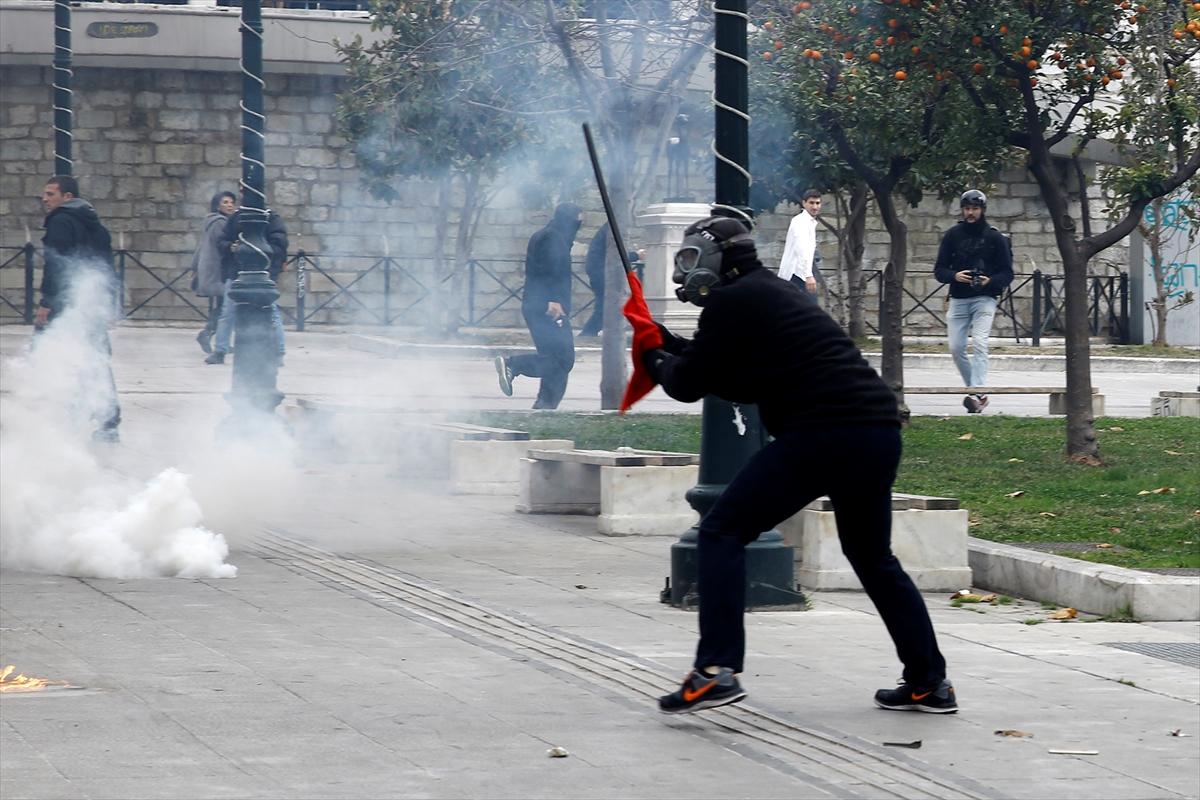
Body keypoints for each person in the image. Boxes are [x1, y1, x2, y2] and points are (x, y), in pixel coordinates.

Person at [644, 215, 954, 716]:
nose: (684, 272)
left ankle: (717, 670)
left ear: (717, 258)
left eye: (689, 259)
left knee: (720, 532)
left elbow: (687, 384)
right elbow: (737, 379)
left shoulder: (729, 302)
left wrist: (656, 356)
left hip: (824, 434)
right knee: (874, 559)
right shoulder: (772, 293)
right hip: (875, 431)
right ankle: (929, 682)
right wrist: (665, 345)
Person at [36, 175, 122, 441]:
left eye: (51, 194)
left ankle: (68, 416)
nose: (45, 199)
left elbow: (56, 264)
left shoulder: (61, 221)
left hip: (68, 304)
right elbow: (106, 267)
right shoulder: (95, 225)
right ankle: (107, 421)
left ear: (67, 197)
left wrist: (46, 303)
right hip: (91, 302)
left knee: (56, 355)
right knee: (95, 360)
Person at [494, 203, 581, 409]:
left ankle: (544, 407)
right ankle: (513, 365)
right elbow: (549, 268)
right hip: (549, 307)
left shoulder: (546, 235)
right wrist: (553, 299)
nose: (579, 225)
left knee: (554, 359)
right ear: (568, 220)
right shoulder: (553, 238)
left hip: (538, 304)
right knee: (563, 360)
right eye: (577, 220)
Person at [933, 189, 1013, 414]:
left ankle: (976, 391)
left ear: (983, 210)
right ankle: (978, 393)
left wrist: (990, 281)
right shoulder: (952, 235)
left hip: (985, 298)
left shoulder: (995, 238)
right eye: (967, 208)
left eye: (975, 208)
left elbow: (1007, 273)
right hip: (958, 298)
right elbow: (939, 270)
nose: (970, 213)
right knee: (956, 347)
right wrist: (955, 276)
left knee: (979, 342)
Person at [206, 206, 288, 365]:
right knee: (228, 313)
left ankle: (278, 352)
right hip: (237, 270)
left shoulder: (270, 217)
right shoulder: (236, 217)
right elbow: (223, 241)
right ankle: (220, 350)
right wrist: (232, 247)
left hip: (263, 272)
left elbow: (279, 243)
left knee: (271, 312)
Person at [578, 222, 642, 338]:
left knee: (606, 303)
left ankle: (592, 331)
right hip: (601, 271)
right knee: (605, 304)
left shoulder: (609, 228)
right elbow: (615, 255)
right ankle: (589, 332)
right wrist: (636, 255)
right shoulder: (613, 228)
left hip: (599, 269)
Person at [192, 191, 236, 356]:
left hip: (211, 268)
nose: (230, 205)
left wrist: (194, 267)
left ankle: (219, 340)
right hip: (218, 269)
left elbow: (200, 246)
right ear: (217, 205)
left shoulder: (212, 221)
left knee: (223, 305)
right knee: (226, 306)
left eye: (231, 202)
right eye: (225, 202)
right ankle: (208, 334)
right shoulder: (220, 223)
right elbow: (223, 246)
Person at [777, 188, 822, 294]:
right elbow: (801, 249)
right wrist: (808, 275)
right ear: (804, 203)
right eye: (811, 203)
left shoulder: (809, 222)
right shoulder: (800, 222)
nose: (815, 207)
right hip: (795, 274)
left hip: (799, 275)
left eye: (817, 203)